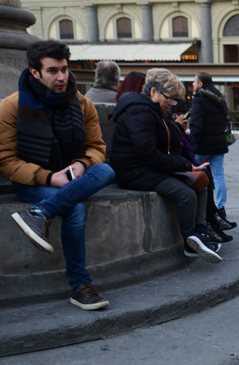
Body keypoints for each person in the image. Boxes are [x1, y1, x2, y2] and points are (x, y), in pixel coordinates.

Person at [1, 40, 115, 310]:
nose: (61, 76)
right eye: (52, 71)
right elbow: (6, 161)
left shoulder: (82, 103)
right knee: (74, 207)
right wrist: (50, 178)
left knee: (106, 169)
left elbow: (97, 147)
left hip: (76, 176)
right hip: (33, 182)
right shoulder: (11, 107)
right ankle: (80, 286)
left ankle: (39, 213)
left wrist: (81, 164)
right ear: (35, 73)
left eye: (64, 69)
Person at [110, 68, 222, 263]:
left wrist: (185, 165)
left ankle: (201, 233)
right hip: (134, 171)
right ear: (153, 91)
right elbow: (149, 155)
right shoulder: (139, 111)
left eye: (174, 101)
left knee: (201, 182)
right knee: (186, 194)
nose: (170, 105)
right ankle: (189, 243)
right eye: (169, 99)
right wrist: (185, 165)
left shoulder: (153, 110)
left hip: (148, 166)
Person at [190, 72, 232, 219]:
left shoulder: (199, 98)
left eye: (194, 82)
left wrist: (193, 142)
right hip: (219, 143)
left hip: (203, 145)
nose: (192, 85)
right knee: (219, 175)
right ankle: (220, 207)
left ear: (200, 84)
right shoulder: (220, 98)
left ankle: (200, 206)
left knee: (195, 173)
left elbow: (196, 123)